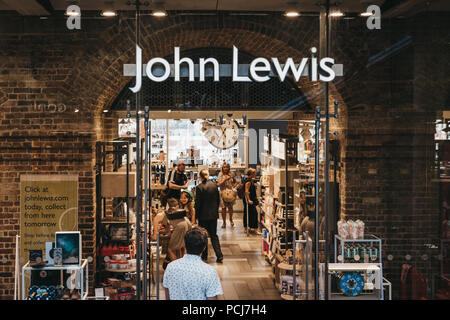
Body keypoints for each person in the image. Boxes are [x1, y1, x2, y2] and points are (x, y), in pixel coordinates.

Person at [163, 227, 223, 300]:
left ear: (185, 244)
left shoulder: (170, 267)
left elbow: (167, 295)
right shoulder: (209, 272)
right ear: (204, 247)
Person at [195, 169, 224, 263]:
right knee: (214, 235)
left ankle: (204, 255)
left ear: (200, 176)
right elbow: (218, 200)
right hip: (213, 215)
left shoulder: (199, 187)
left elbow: (198, 203)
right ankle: (219, 255)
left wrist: (195, 216)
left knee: (203, 236)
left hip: (203, 215)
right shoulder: (215, 186)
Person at [217, 162, 237, 228]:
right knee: (223, 208)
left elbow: (235, 181)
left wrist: (233, 187)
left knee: (230, 207)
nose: (225, 168)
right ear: (222, 168)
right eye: (224, 167)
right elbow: (218, 184)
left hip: (230, 193)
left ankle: (231, 219)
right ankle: (224, 222)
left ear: (229, 168)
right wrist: (225, 179)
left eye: (227, 167)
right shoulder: (220, 174)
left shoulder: (231, 174)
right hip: (223, 192)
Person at [243, 168, 259, 233]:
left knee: (250, 213)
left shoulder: (250, 180)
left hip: (251, 199)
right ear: (251, 174)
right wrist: (249, 200)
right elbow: (246, 191)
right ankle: (249, 228)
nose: (255, 174)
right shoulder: (248, 182)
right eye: (254, 173)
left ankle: (250, 227)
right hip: (249, 199)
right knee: (252, 213)